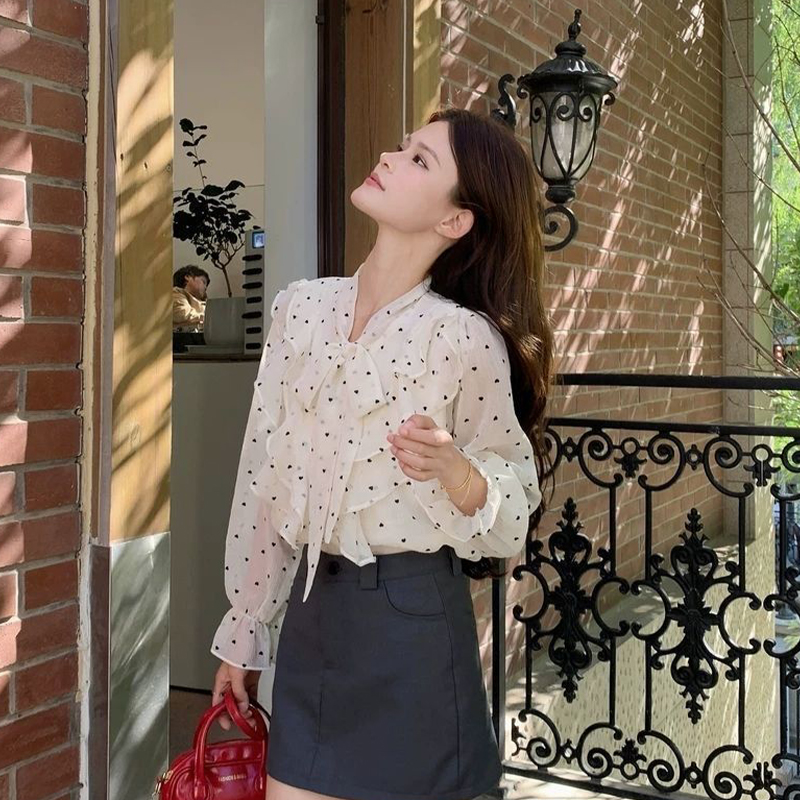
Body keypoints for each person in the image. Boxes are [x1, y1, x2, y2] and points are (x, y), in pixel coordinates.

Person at [210, 107, 554, 800]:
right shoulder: (299, 311)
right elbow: (260, 478)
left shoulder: (463, 339)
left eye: (421, 159)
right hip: (312, 616)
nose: (391, 158)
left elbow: (514, 507)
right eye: (402, 146)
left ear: (455, 220)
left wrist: (457, 473)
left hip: (413, 629)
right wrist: (245, 631)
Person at [172, 264, 209, 332]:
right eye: (203, 282)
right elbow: (182, 314)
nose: (205, 287)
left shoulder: (203, 301)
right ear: (187, 277)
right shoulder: (176, 292)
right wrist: (208, 317)